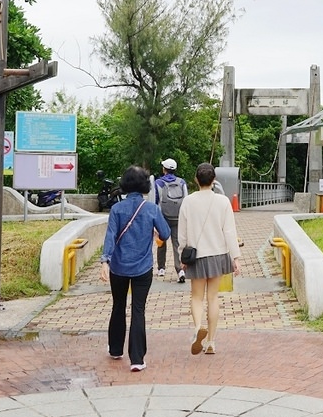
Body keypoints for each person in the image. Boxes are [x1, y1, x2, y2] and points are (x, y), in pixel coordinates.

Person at [99, 165, 171, 372]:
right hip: (143, 267)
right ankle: (137, 359)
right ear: (145, 185)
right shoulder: (151, 209)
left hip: (119, 268)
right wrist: (155, 234)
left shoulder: (116, 209)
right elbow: (165, 233)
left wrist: (105, 261)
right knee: (138, 310)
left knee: (118, 305)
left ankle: (115, 349)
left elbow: (110, 236)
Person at [178, 162, 241, 355]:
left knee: (196, 297)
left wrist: (182, 254)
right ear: (214, 181)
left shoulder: (188, 201)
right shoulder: (223, 202)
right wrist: (236, 257)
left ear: (196, 179)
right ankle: (212, 342)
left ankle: (198, 329)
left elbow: (182, 233)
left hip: (196, 255)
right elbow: (229, 231)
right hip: (218, 254)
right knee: (213, 298)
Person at [153, 157, 188, 282]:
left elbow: (155, 202)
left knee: (161, 241)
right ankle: (180, 270)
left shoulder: (158, 183)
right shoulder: (182, 182)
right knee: (177, 244)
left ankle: (161, 268)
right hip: (178, 217)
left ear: (164, 169)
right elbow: (186, 200)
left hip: (163, 217)